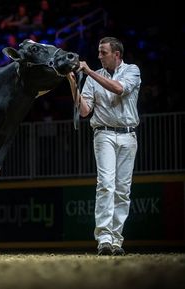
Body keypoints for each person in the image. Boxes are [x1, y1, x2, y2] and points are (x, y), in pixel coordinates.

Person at [75, 37, 141, 256]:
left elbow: (118, 89)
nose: (99, 56)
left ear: (117, 54)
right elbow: (85, 111)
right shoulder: (93, 78)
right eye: (99, 52)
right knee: (105, 184)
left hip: (128, 135)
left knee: (123, 190)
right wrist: (72, 82)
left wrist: (89, 72)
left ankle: (116, 240)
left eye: (103, 52)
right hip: (103, 133)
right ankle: (104, 239)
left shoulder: (132, 70)